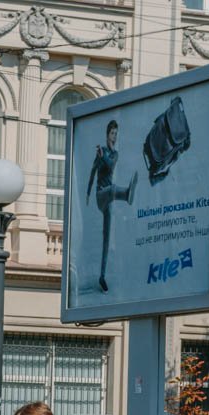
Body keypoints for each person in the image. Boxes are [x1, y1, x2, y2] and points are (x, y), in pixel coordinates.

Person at [85, 119, 137, 293]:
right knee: (113, 189)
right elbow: (93, 172)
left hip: (109, 199)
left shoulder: (114, 154)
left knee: (106, 239)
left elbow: (111, 165)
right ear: (107, 134)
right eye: (112, 133)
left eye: (116, 134)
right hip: (101, 195)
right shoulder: (102, 152)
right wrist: (87, 193)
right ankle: (127, 193)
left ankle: (102, 276)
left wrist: (103, 156)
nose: (114, 136)